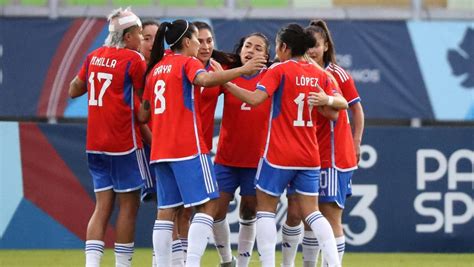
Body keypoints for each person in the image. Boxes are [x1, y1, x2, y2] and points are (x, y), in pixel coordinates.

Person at [138, 19, 266, 267]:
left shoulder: (155, 69)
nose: (201, 45)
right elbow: (205, 81)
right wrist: (242, 70)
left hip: (161, 151)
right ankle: (192, 263)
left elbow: (143, 114)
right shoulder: (188, 63)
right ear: (186, 42)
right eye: (197, 39)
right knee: (208, 207)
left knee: (166, 213)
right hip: (188, 148)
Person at [222, 23, 344, 267]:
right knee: (313, 213)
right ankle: (334, 263)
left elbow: (256, 99)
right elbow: (338, 105)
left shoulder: (279, 70)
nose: (275, 52)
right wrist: (327, 99)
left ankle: (268, 264)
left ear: (284, 47)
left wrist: (227, 84)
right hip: (309, 154)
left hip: (278, 154)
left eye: (276, 46)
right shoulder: (318, 72)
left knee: (266, 211)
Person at [68, 7, 146, 267]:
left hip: (95, 144)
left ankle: (92, 264)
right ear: (127, 37)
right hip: (122, 142)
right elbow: (143, 104)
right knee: (128, 205)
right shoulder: (134, 60)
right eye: (139, 34)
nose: (142, 39)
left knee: (102, 207)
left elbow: (73, 90)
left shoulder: (93, 56)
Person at [302, 19, 365, 267]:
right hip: (310, 154)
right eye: (306, 46)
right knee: (309, 216)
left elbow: (356, 110)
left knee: (330, 216)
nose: (311, 51)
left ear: (326, 45)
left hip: (334, 155)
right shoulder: (301, 72)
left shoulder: (337, 74)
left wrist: (357, 141)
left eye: (315, 45)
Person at [211, 32, 271, 267]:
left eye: (258, 48)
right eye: (247, 46)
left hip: (256, 161)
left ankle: (243, 264)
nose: (251, 51)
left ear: (266, 56)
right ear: (240, 50)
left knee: (249, 213)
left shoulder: (272, 76)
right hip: (226, 158)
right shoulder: (228, 72)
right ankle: (227, 261)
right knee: (215, 211)